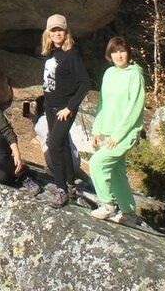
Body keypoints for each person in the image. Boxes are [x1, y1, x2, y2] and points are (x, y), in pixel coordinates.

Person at [88, 36, 146, 226]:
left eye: (122, 51)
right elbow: (103, 104)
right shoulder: (109, 74)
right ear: (109, 54)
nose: (118, 55)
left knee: (97, 163)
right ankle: (128, 213)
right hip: (108, 132)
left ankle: (107, 205)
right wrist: (97, 129)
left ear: (128, 52)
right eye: (114, 51)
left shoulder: (134, 74)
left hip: (124, 134)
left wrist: (117, 136)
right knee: (116, 173)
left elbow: (134, 108)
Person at [39, 13, 92, 208]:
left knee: (54, 146)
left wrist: (70, 107)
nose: (57, 33)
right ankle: (71, 185)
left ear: (66, 31)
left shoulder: (72, 54)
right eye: (53, 30)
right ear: (48, 33)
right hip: (50, 107)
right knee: (61, 146)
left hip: (64, 110)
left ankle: (60, 189)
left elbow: (85, 83)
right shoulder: (50, 53)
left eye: (60, 29)